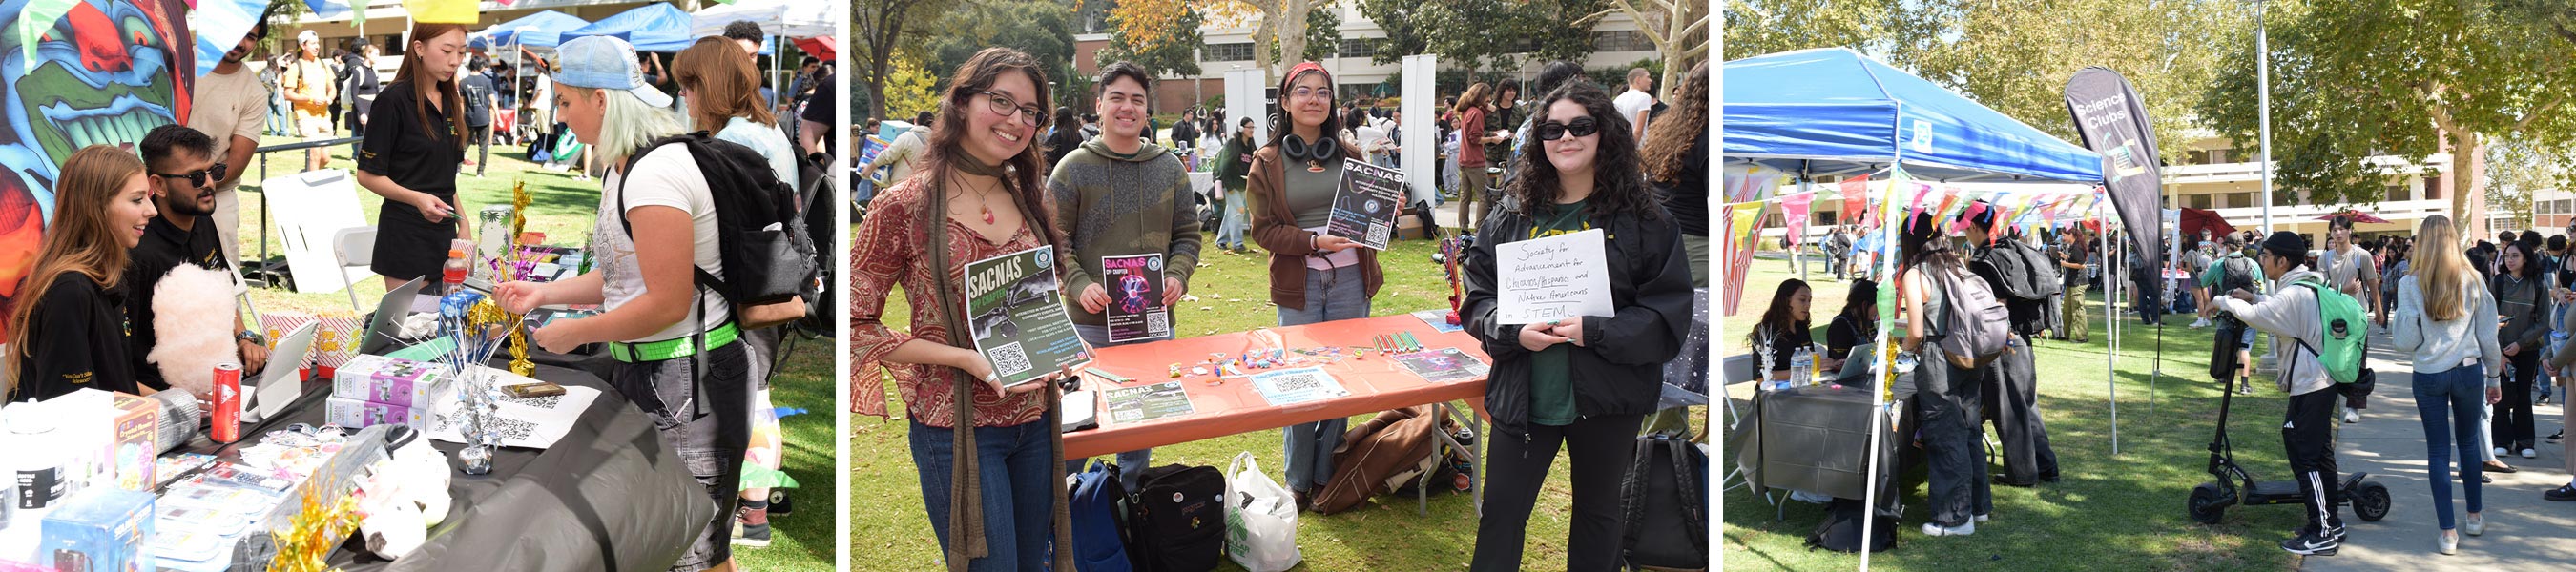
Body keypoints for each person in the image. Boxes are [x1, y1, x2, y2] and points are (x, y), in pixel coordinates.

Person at [490, 35, 750, 572]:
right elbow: (619, 274)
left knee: (689, 552)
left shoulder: (655, 174)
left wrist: (581, 332)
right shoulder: (622, 167)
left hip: (686, 377)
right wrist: (546, 293)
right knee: (682, 544)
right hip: (660, 371)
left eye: (565, 101)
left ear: (602, 101)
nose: (560, 115)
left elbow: (668, 302)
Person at [846, 47, 1079, 572]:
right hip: (957, 428)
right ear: (961, 102)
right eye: (1002, 101)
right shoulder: (903, 204)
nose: (1016, 121)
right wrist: (967, 360)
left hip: (1037, 419)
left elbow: (1034, 296)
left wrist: (1059, 337)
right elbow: (854, 319)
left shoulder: (1026, 194)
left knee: (1032, 564)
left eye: (1031, 112)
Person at [1461, 80, 1689, 571]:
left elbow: (1666, 315)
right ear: (1538, 139)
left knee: (1598, 517)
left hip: (1608, 398)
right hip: (1526, 393)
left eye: (1580, 126)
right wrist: (1508, 330)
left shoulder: (1647, 221)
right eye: (1552, 128)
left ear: (1605, 132)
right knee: (1501, 514)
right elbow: (1479, 295)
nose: (1566, 138)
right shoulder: (1512, 211)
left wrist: (1596, 331)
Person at [672, 35, 804, 549]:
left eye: (689, 85)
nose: (684, 96)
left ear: (710, 86)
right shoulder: (765, 128)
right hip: (770, 285)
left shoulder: (737, 141)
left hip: (749, 292)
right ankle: (753, 510)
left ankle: (751, 514)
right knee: (760, 398)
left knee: (753, 401)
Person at [1045, 61, 1200, 491]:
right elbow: (1053, 241)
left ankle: (1130, 505)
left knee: (1140, 424)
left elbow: (1188, 234)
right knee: (1078, 431)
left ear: (1147, 110)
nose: (1127, 107)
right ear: (1099, 106)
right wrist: (1079, 284)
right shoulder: (1073, 168)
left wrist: (1178, 275)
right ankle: (1069, 511)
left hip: (1152, 322)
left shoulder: (1169, 167)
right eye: (1117, 97)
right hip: (1088, 326)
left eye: (1137, 99)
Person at [1249, 61, 1380, 508]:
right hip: (1300, 285)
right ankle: (1298, 479)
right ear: (1285, 103)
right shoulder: (1267, 162)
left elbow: (1370, 217)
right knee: (1300, 382)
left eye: (1322, 92)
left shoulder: (1351, 157)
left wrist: (1386, 209)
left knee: (1342, 381)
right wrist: (1311, 241)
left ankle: (1325, 472)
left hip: (1349, 281)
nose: (1313, 100)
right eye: (1303, 92)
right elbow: (1263, 232)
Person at [2214, 231, 2347, 555]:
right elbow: (2279, 312)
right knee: (2316, 452)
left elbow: (2263, 317)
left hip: (2311, 382)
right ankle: (2331, 521)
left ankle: (2323, 531)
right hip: (2320, 379)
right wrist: (2253, 297)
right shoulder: (2307, 284)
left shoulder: (2294, 294)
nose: (2262, 260)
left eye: (2266, 255)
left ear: (2282, 261)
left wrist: (2225, 301)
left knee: (2306, 456)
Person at [3, 146, 156, 401]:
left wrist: (176, 401)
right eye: (137, 199)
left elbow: (116, 383)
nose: (152, 210)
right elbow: (69, 403)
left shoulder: (109, 272)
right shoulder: (70, 290)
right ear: (96, 207)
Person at [2387, 214, 2502, 555]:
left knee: (2438, 451)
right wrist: (2494, 376)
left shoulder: (2411, 283)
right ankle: (2475, 516)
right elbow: (2487, 336)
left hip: (2429, 374)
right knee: (2468, 445)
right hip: (2467, 371)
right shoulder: (2473, 278)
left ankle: (2448, 533)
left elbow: (2406, 342)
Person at [127, 126, 270, 393]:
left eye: (213, 171)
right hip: (163, 393)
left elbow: (223, 289)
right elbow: (122, 358)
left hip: (215, 379)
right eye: (195, 177)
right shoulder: (139, 251)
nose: (208, 184)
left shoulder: (203, 221)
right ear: (158, 185)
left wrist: (243, 338)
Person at [1895, 211, 1995, 537]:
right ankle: (1978, 508)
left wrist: (1905, 353)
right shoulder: (1958, 264)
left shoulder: (1915, 274)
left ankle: (1955, 518)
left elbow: (1915, 331)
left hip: (1940, 357)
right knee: (1969, 431)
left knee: (1944, 436)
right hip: (1969, 354)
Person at [355, 24, 471, 291]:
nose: (455, 60)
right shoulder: (393, 100)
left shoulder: (450, 99)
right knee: (413, 327)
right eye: (446, 50)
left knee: (449, 323)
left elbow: (444, 177)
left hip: (445, 236)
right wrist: (416, 198)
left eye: (461, 53)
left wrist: (463, 224)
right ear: (419, 48)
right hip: (405, 235)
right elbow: (367, 174)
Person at [1963, 204, 2060, 486]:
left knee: (2009, 409)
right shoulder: (2011, 249)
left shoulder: (1984, 258)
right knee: (2027, 404)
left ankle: (2022, 473)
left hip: (2004, 341)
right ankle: (2045, 466)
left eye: (1965, 228)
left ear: (1973, 227)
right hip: (2022, 339)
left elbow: (1994, 305)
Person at [1638, 61, 1709, 439]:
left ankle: (1665, 431)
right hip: (1696, 247)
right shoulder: (1707, 136)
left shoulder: (1672, 129)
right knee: (1686, 343)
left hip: (1666, 242)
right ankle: (1665, 436)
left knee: (1674, 336)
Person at [188, 20, 271, 269]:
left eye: (250, 37)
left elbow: (235, 165)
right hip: (156, 191)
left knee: (222, 285)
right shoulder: (181, 59)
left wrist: (189, 186)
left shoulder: (254, 92)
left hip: (215, 198)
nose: (241, 43)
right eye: (236, 30)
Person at [2493, 239, 2548, 460]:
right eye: (2507, 256)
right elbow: (2487, 318)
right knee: (2501, 394)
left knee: (2524, 395)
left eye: (2515, 255)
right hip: (2500, 350)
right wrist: (2498, 351)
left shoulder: (2537, 284)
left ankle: (2525, 441)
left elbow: (2543, 321)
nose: (2510, 260)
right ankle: (2502, 441)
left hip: (2527, 349)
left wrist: (2520, 343)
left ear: (2526, 257)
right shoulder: (2497, 282)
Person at [2204, 235, 2266, 394]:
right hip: (2248, 311)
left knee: (2224, 342)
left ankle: (2223, 374)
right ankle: (2244, 385)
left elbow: (2204, 282)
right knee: (2244, 348)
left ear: (2228, 246)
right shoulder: (2253, 264)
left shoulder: (2219, 264)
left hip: (2227, 310)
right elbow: (2261, 288)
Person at [281, 31, 338, 172]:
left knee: (326, 158)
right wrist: (309, 99)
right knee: (315, 155)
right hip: (305, 117)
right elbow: (287, 94)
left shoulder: (323, 65)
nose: (317, 46)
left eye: (317, 42)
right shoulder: (296, 67)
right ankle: (313, 187)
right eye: (313, 43)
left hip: (324, 116)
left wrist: (329, 99)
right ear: (303, 45)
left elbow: (332, 88)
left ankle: (306, 174)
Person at [1452, 83, 1500, 230]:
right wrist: (1492, 139)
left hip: (1463, 159)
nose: (1490, 99)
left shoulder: (1467, 111)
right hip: (1475, 161)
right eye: (1487, 96)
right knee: (1483, 197)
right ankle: (1480, 229)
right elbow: (1475, 138)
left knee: (1464, 197)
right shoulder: (1477, 113)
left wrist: (1487, 108)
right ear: (1481, 96)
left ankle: (1464, 228)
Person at [1747, 280, 1813, 380]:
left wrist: (1830, 363)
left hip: (1801, 386)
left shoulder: (1801, 327)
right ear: (1786, 301)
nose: (1807, 305)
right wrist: (1802, 370)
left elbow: (1810, 359)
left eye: (1809, 300)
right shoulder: (1765, 332)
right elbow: (1762, 378)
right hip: (1774, 393)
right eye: (1802, 300)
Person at [1212, 117, 1255, 253]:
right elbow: (1224, 167)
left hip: (1243, 184)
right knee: (1239, 211)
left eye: (1253, 127)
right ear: (1241, 128)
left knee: (1231, 212)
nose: (1251, 130)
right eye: (1249, 127)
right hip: (1231, 184)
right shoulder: (1232, 143)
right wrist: (1229, 188)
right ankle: (1237, 244)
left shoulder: (1250, 145)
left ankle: (1221, 241)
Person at [1824, 279, 1879, 373]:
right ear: (1864, 305)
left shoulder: (1867, 321)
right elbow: (1839, 362)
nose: (1879, 310)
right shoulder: (1841, 326)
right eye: (1877, 305)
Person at [342, 40, 383, 154]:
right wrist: (362, 113)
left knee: (374, 138)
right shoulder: (358, 71)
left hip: (372, 107)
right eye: (376, 54)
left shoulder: (374, 70)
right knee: (362, 138)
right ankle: (360, 161)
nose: (378, 57)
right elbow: (354, 94)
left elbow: (377, 91)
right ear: (368, 54)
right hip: (362, 107)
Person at [460, 59, 498, 176]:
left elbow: (462, 103)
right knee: (483, 146)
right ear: (481, 67)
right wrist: (498, 116)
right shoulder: (487, 81)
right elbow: (492, 100)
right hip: (484, 118)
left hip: (469, 118)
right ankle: (480, 172)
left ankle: (457, 170)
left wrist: (461, 117)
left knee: (463, 145)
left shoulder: (463, 82)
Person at [2057, 227, 2091, 342]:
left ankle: (2082, 337)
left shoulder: (2077, 248)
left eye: (2064, 236)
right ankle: (2064, 335)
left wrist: (2065, 264)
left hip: (2078, 283)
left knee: (2077, 310)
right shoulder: (2073, 247)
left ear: (2071, 235)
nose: (2063, 238)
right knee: (2066, 310)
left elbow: (2081, 264)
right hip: (2071, 282)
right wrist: (2064, 256)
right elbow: (2074, 259)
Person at [1612, 68, 1655, 140]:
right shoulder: (1644, 97)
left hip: (1621, 144)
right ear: (1638, 79)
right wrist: (1633, 148)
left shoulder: (1618, 99)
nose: (1650, 80)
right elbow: (1638, 130)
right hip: (1637, 146)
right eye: (1647, 77)